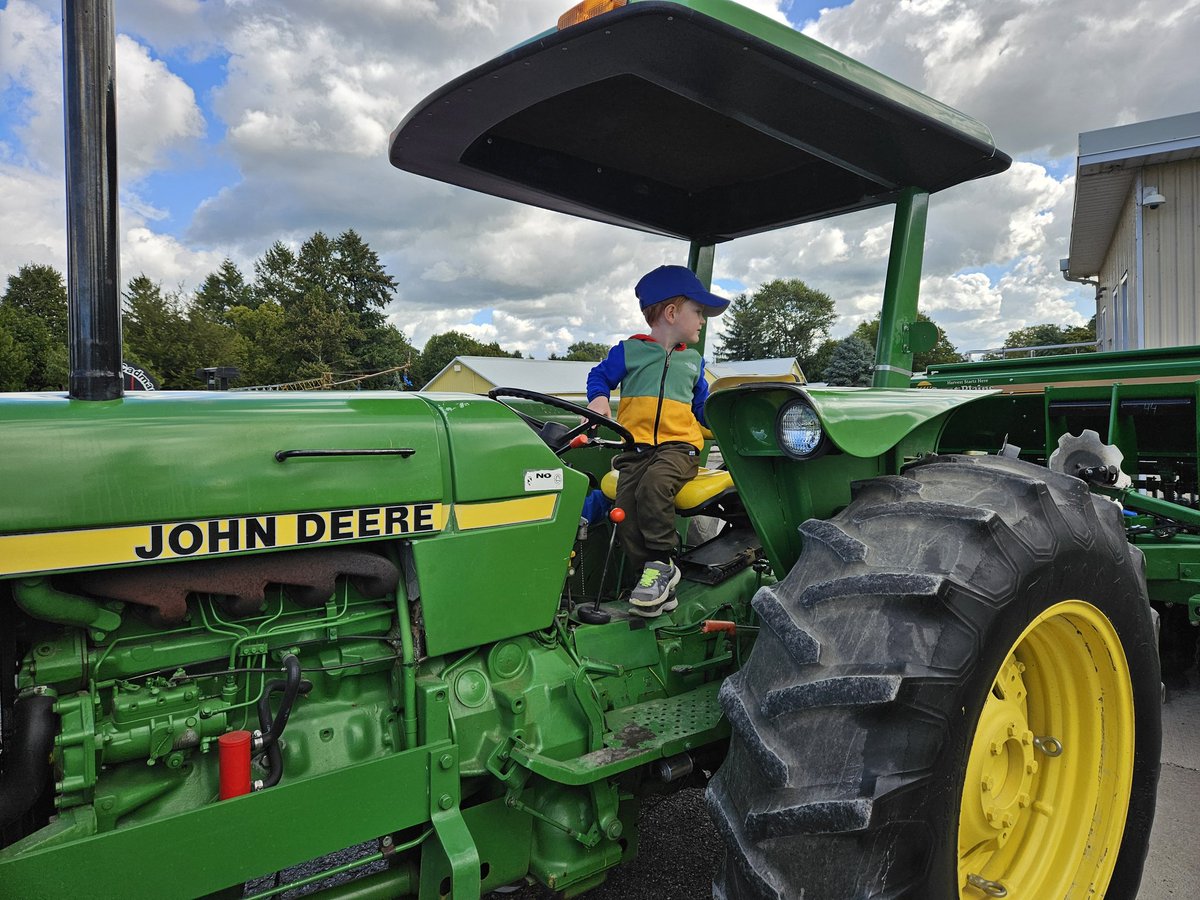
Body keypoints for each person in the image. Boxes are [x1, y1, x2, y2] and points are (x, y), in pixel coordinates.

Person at [586, 265, 728, 617]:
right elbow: (599, 376)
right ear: (671, 312)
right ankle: (651, 582)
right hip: (636, 448)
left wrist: (729, 423)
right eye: (698, 312)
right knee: (627, 504)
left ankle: (664, 563)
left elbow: (702, 408)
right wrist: (599, 398)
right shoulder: (629, 352)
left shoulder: (693, 363)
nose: (702, 321)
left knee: (655, 486)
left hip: (679, 448)